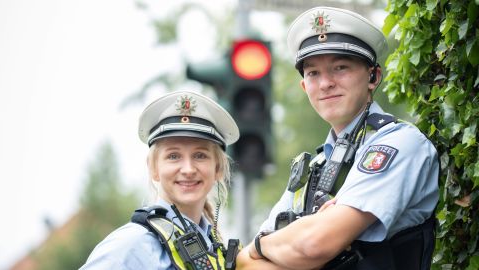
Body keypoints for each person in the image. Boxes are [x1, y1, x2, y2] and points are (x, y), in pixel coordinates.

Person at [236, 6, 439, 270]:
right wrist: (265, 248)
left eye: (340, 67)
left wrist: (261, 246)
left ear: (373, 76)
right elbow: (243, 263)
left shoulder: (400, 144)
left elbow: (313, 245)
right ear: (304, 86)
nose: (325, 83)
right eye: (313, 73)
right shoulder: (314, 167)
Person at [80, 90, 240, 270]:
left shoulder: (216, 249)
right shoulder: (132, 245)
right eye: (173, 156)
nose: (188, 169)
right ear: (153, 168)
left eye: (200, 155)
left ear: (217, 168)